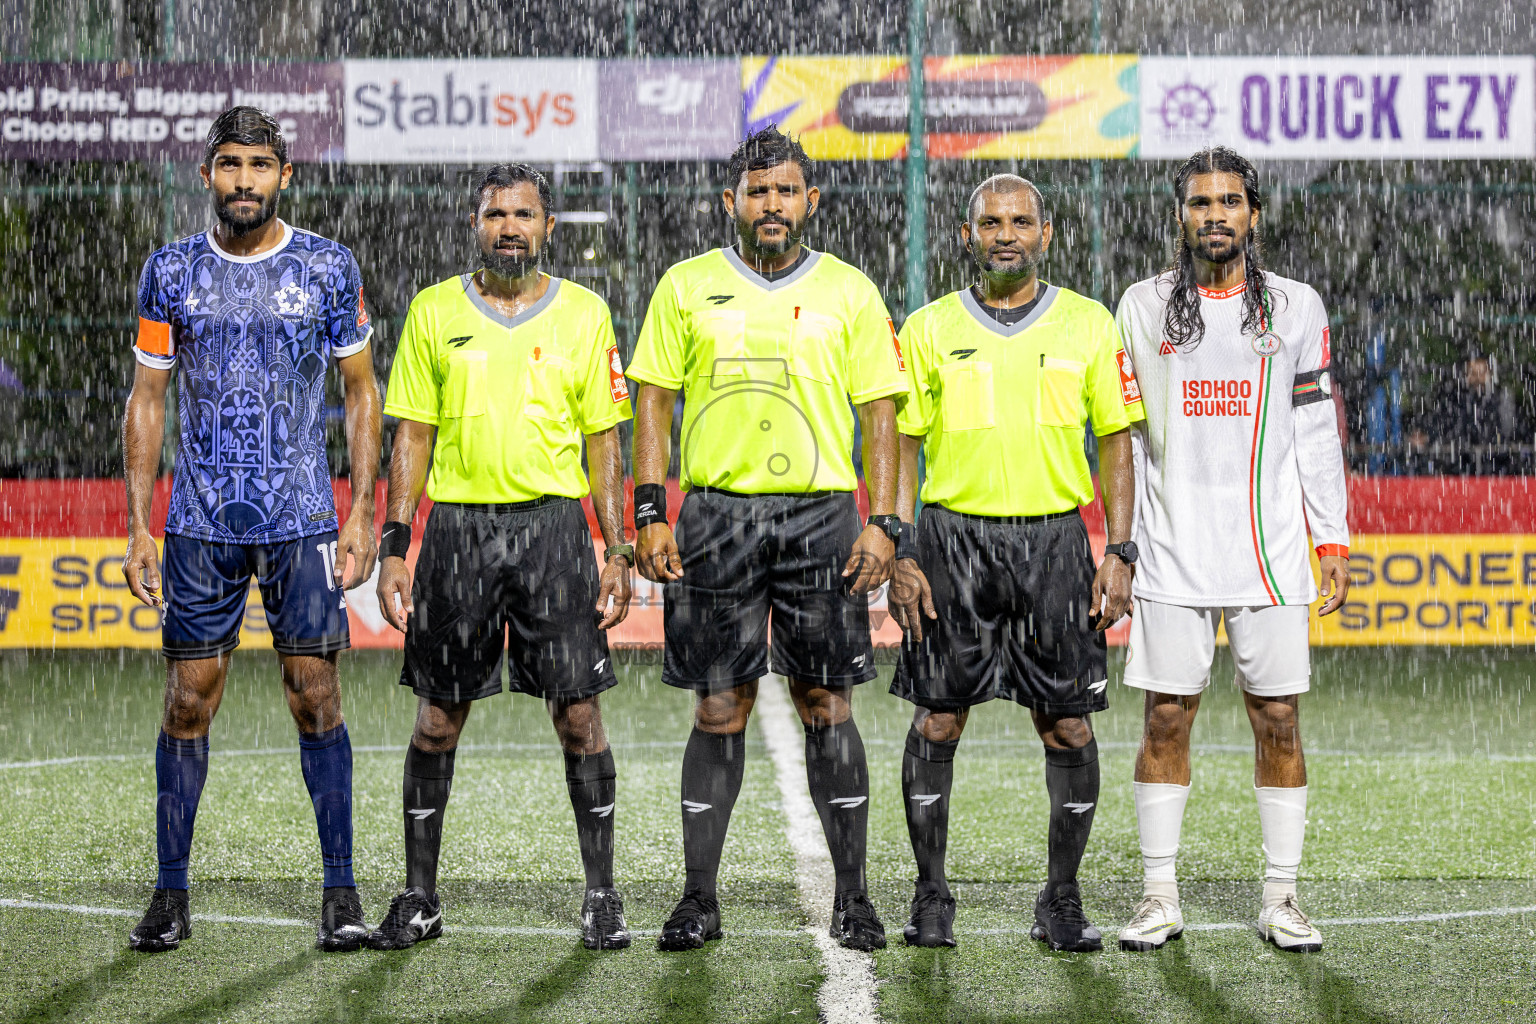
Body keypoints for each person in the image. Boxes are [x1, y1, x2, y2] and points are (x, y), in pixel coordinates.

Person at [627, 126, 906, 953]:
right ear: (732, 203)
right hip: (715, 516)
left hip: (822, 516)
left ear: (810, 201)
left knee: (827, 704)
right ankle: (698, 898)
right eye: (758, 192)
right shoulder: (685, 286)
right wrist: (649, 510)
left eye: (787, 191)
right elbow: (652, 401)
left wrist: (885, 522)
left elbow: (881, 415)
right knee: (720, 706)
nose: (772, 205)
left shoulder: (850, 291)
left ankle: (853, 898)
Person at [121, 107, 381, 953]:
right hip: (199, 523)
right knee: (188, 700)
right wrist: (137, 525)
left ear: (285, 176)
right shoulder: (169, 272)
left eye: (260, 165)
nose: (244, 180)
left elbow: (362, 392)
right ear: (207, 174)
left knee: (316, 696)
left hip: (302, 517)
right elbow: (148, 398)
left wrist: (362, 511)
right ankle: (170, 893)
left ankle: (340, 891)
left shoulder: (330, 268)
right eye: (229, 164)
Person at [365, 164, 636, 952]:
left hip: (554, 533)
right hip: (457, 537)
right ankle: (419, 898)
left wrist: (616, 544)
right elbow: (410, 434)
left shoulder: (586, 314)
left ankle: (602, 895)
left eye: (524, 214)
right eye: (495, 214)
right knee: (438, 719)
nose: (509, 226)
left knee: (579, 716)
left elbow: (603, 441)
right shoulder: (433, 311)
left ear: (549, 227)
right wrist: (395, 542)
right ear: (475, 224)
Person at [886, 175, 1137, 952]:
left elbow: (1117, 441)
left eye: (1020, 221)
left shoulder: (1090, 326)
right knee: (938, 718)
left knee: (1066, 726)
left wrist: (1120, 550)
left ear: (1047, 232)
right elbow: (900, 441)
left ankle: (1060, 900)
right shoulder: (926, 328)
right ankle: (932, 897)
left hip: (1057, 545)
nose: (1005, 233)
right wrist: (897, 545)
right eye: (990, 222)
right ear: (967, 235)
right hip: (950, 541)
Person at [1113, 147, 1350, 954]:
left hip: (1271, 550)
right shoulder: (1141, 307)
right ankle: (1158, 897)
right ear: (1179, 215)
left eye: (1229, 202)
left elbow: (1316, 428)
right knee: (1165, 717)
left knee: (1278, 717)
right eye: (1199, 202)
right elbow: (1120, 436)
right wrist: (1121, 544)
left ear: (1254, 212)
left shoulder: (1297, 307)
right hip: (1172, 550)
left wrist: (1332, 535)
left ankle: (1282, 899)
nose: (1214, 215)